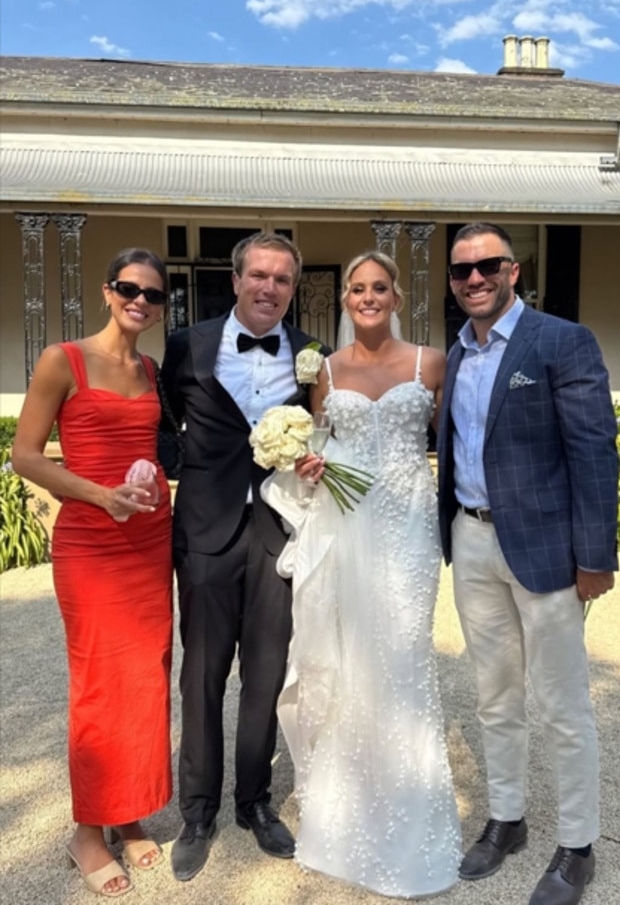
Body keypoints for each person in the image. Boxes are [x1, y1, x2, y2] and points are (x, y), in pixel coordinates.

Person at [264, 251, 462, 898]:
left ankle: (410, 811)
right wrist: (309, 464)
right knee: (350, 662)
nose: (368, 297)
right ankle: (348, 810)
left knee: (403, 663)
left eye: (380, 287)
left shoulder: (430, 363)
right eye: (357, 288)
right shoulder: (324, 370)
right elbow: (320, 447)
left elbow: (458, 443)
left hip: (407, 534)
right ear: (345, 299)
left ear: (397, 297)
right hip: (347, 530)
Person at [437, 222, 619, 905]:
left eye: (487, 266)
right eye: (461, 271)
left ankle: (577, 845)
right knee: (494, 697)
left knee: (563, 703)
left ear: (515, 270)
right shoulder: (456, 353)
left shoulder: (561, 341)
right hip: (473, 542)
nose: (474, 279)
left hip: (547, 553)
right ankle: (507, 819)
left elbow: (595, 452)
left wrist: (595, 558)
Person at [159, 231, 328, 882]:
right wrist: (182, 471)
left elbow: (324, 431)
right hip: (204, 534)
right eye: (258, 275)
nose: (269, 288)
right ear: (235, 280)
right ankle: (198, 809)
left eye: (282, 279)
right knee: (201, 677)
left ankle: (253, 801)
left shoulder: (312, 354)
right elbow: (163, 416)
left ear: (292, 287)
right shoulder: (187, 344)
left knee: (265, 676)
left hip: (279, 534)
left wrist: (316, 464)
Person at [12, 249, 174, 898]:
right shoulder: (64, 360)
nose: (141, 300)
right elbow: (25, 456)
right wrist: (99, 495)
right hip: (90, 542)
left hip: (148, 541)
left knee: (146, 676)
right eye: (130, 288)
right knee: (100, 683)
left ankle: (127, 810)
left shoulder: (153, 369)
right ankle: (87, 829)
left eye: (154, 295)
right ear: (108, 291)